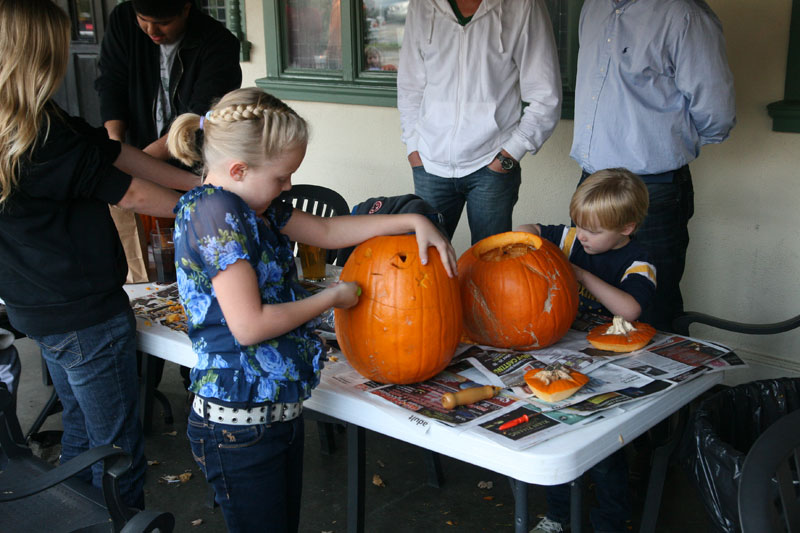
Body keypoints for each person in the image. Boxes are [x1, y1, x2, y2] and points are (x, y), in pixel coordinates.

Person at [166, 87, 457, 533]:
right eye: (282, 178)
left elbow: (326, 229)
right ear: (239, 168)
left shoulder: (251, 204)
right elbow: (248, 326)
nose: (288, 188)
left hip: (273, 415)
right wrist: (332, 298)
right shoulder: (216, 212)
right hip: (239, 427)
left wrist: (412, 220)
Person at [0, 0, 200, 509]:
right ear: (38, 55)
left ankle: (77, 519)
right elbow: (128, 191)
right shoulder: (39, 137)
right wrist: (211, 210)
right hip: (84, 316)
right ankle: (115, 523)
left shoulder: (30, 123)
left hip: (38, 310)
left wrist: (202, 186)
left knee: (84, 437)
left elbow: (111, 152)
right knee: (117, 451)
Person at [570, 0, 736, 332]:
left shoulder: (683, 14)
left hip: (652, 188)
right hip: (592, 183)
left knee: (653, 309)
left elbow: (716, 111)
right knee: (589, 301)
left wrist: (663, 141)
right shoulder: (593, 6)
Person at [517, 168, 656, 533]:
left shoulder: (640, 260)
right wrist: (535, 245)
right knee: (558, 434)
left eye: (594, 231)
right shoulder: (571, 237)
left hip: (615, 357)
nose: (585, 237)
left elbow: (630, 310)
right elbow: (527, 229)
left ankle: (610, 520)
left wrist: (579, 274)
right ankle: (558, 515)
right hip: (565, 349)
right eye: (579, 226)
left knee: (605, 449)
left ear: (626, 228)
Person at [397, 0, 561, 245]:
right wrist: (413, 147)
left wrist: (509, 155)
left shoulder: (523, 6)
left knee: (489, 269)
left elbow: (546, 96)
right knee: (423, 264)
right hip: (430, 164)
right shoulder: (423, 5)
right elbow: (410, 86)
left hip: (491, 167)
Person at [96, 0, 242, 161]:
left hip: (190, 157)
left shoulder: (219, 44)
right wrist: (116, 145)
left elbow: (199, 116)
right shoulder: (123, 20)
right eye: (143, 20)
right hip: (137, 148)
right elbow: (112, 83)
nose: (152, 30)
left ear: (186, 9)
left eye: (164, 23)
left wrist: (137, 163)